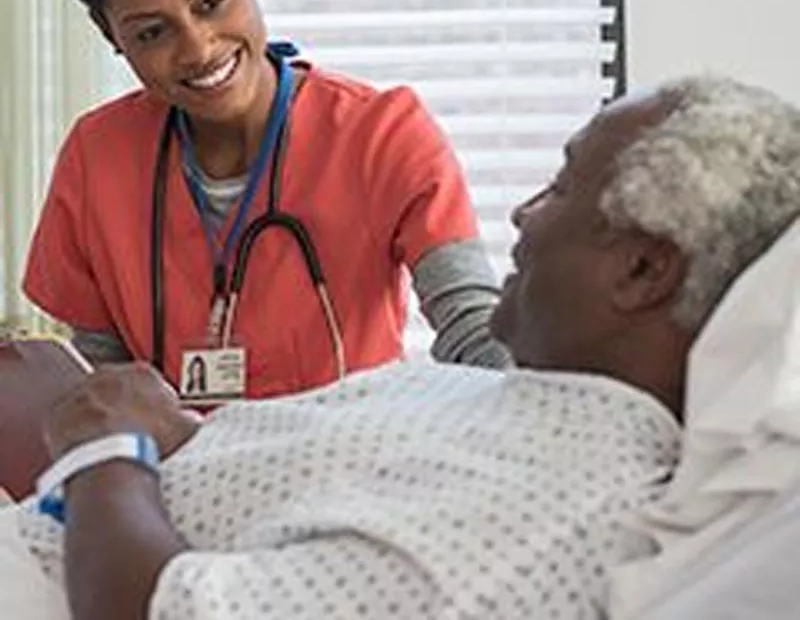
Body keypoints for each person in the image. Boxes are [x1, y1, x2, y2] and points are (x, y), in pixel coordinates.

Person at [9, 75, 800, 619]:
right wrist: (157, 429)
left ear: (640, 269)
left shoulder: (535, 525)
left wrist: (105, 448)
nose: (523, 213)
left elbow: (154, 610)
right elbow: (283, 477)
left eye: (560, 187)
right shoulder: (509, 402)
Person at [22, 0, 510, 400]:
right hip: (171, 480)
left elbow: (473, 330)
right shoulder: (97, 158)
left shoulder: (383, 136)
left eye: (210, 3)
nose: (199, 48)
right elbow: (101, 387)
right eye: (152, 33)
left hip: (349, 472)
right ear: (112, 35)